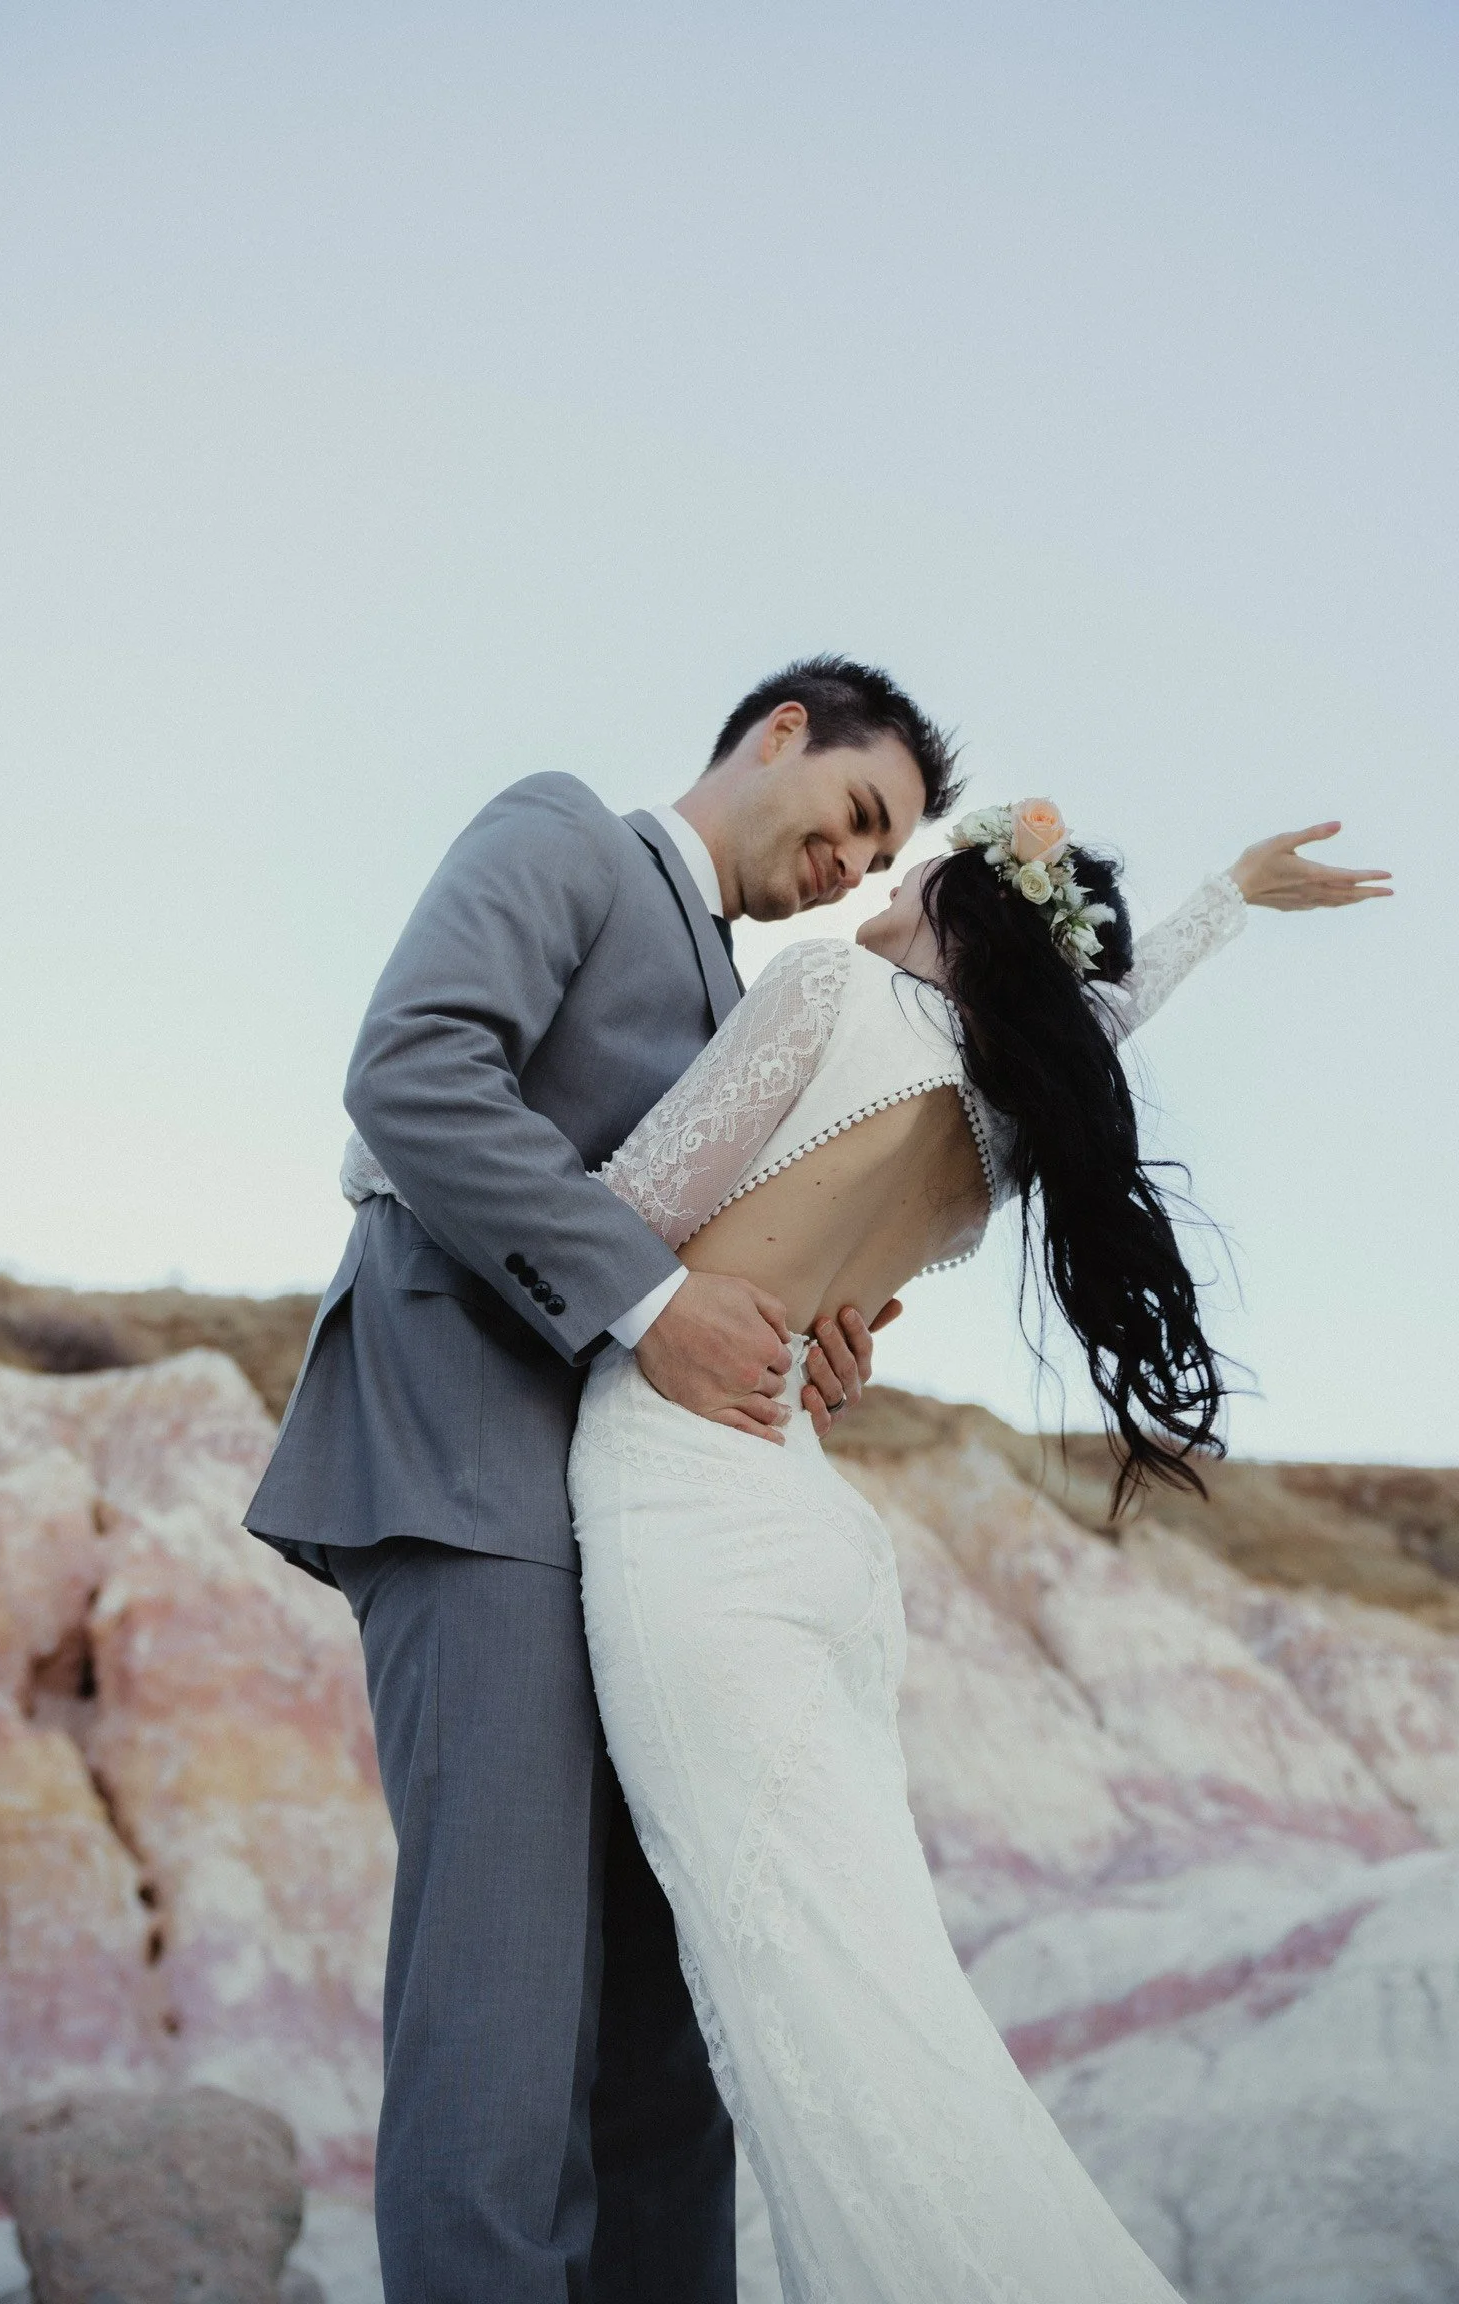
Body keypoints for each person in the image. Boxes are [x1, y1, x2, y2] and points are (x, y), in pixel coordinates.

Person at [565, 801, 1392, 2301]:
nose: (886, 879)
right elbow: (1090, 1036)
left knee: (841, 2048)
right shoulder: (1006, 1118)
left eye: (921, 864)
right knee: (890, 2020)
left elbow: (617, 1220)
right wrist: (1226, 900)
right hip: (809, 1531)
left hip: (684, 1496)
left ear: (963, 911)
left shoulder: (826, 990)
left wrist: (398, 1166)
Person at [244, 658, 963, 2301]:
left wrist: (795, 1334)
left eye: (884, 853)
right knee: (498, 2036)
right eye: (858, 812)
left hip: (652, 1540)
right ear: (780, 732)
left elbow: (706, 1243)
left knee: (666, 2053)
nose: (855, 864)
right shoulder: (563, 831)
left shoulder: (752, 1002)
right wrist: (655, 1305)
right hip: (472, 1481)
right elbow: (415, 1070)